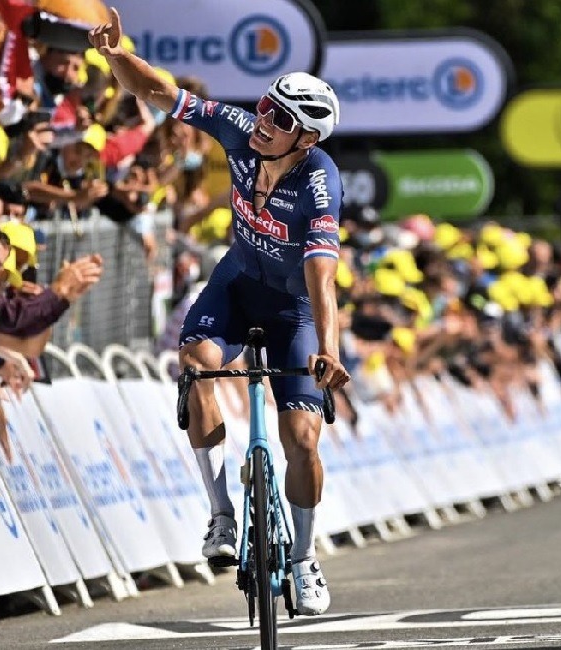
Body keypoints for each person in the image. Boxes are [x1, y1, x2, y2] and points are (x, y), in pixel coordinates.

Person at [89, 9, 350, 616]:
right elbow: (158, 92)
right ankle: (221, 514)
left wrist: (329, 350)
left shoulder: (319, 184)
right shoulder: (240, 130)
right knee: (198, 363)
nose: (263, 121)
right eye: (265, 105)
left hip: (294, 309)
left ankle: (306, 559)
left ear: (306, 138)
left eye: (279, 119)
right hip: (236, 282)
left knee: (303, 439)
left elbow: (321, 276)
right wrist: (114, 56)